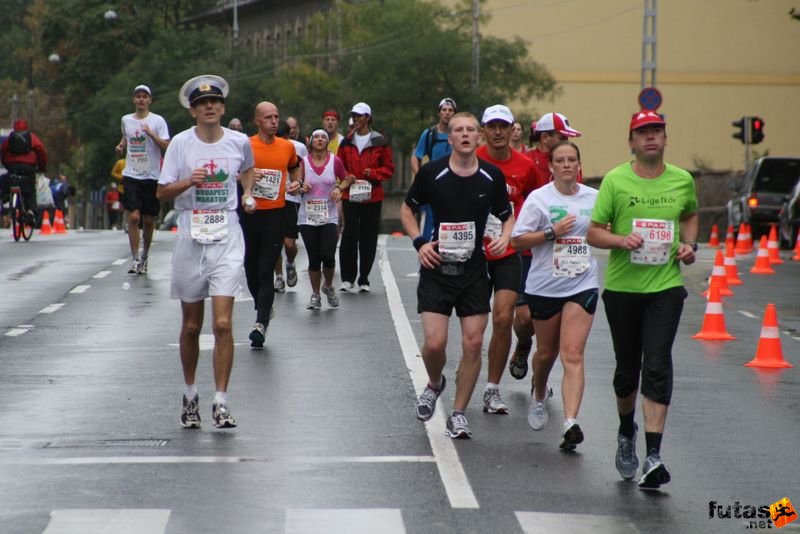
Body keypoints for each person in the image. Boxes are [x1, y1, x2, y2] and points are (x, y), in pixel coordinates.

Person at [587, 110, 698, 490]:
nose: (650, 137)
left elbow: (691, 216)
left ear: (666, 138)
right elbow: (593, 233)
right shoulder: (616, 181)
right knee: (626, 369)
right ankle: (624, 431)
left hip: (665, 288)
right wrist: (621, 240)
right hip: (622, 290)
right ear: (631, 141)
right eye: (642, 132)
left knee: (656, 364)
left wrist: (689, 245)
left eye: (656, 131)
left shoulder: (682, 180)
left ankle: (654, 455)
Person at [400, 112, 513, 439]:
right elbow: (408, 209)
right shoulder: (432, 173)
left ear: (478, 138)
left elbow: (506, 215)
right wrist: (420, 243)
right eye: (457, 130)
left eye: (469, 130)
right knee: (434, 344)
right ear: (448, 139)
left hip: (474, 271)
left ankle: (459, 413)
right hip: (437, 267)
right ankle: (435, 383)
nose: (464, 135)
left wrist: (506, 236)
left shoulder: (492, 176)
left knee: (474, 342)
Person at [156, 74, 256, 429]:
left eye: (214, 102)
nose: (209, 107)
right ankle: (190, 394)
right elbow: (162, 193)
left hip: (227, 234)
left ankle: (221, 401)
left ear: (223, 107)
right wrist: (189, 181)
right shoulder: (181, 146)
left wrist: (247, 194)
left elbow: (247, 170)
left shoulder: (239, 141)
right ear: (193, 112)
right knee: (191, 326)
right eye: (202, 104)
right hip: (190, 234)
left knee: (224, 323)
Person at [510, 141, 599, 451]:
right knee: (546, 353)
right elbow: (518, 241)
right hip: (545, 285)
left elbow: (603, 230)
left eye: (571, 159)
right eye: (559, 160)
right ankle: (538, 393)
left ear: (578, 165)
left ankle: (570, 422)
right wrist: (551, 233)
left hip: (582, 283)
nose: (565, 165)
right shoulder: (539, 199)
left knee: (572, 353)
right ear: (550, 166)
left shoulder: (594, 198)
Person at [475, 105, 538, 415]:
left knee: (503, 318)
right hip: (472, 252)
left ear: (512, 128)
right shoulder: (470, 160)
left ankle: (492, 389)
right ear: (483, 130)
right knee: (473, 326)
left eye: (504, 126)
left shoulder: (526, 167)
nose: (498, 132)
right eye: (492, 126)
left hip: (510, 251)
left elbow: (540, 202)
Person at [242, 102, 303, 348]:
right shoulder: (245, 145)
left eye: (277, 117)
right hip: (249, 213)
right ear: (257, 120)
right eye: (268, 117)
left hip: (276, 214)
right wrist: (245, 177)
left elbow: (296, 167)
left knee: (266, 268)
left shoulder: (286, 146)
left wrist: (297, 183)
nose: (274, 121)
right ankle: (263, 306)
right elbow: (233, 172)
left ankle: (260, 323)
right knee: (251, 269)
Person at [337, 102, 395, 293]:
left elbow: (389, 168)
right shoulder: (346, 142)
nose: (356, 119)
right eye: (353, 116)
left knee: (368, 236)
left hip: (372, 196)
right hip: (351, 195)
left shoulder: (380, 141)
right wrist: (347, 177)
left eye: (360, 116)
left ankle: (364, 278)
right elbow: (339, 166)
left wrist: (374, 173)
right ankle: (347, 278)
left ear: (368, 118)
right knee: (349, 233)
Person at [116, 84, 170, 274]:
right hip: (131, 174)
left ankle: (145, 255)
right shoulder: (126, 120)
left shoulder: (157, 121)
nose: (141, 99)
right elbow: (126, 137)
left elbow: (166, 145)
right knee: (133, 217)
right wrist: (121, 145)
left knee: (148, 220)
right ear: (133, 100)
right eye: (137, 96)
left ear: (149, 100)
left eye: (144, 97)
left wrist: (151, 134)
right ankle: (134, 258)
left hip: (152, 175)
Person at [298, 129, 350, 309]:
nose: (320, 140)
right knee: (314, 257)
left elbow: (348, 178)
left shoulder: (335, 161)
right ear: (311, 142)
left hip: (329, 216)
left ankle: (328, 285)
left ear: (327, 142)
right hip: (308, 217)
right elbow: (295, 183)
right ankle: (315, 294)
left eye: (323, 138)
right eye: (316, 137)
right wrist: (301, 186)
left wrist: (339, 188)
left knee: (328, 255)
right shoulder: (303, 162)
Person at [410, 98, 456, 241]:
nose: (447, 113)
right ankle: (427, 253)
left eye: (450, 110)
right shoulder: (430, 134)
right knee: (431, 221)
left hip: (455, 183)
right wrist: (419, 179)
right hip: (434, 184)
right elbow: (415, 156)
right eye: (444, 110)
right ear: (439, 113)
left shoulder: (459, 133)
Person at [273, 120, 308, 293]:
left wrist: (301, 185)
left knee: (289, 244)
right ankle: (278, 276)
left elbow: (303, 169)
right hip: (271, 199)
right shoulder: (266, 146)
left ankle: (290, 262)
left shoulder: (298, 147)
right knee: (274, 242)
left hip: (291, 199)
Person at [0, 118, 48, 222]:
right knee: (30, 191)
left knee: (7, 183)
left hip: (12, 168)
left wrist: (6, 163)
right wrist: (41, 167)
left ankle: (6, 204)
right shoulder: (32, 137)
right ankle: (31, 211)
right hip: (28, 168)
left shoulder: (10, 138)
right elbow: (41, 151)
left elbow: (2, 150)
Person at [524, 112, 582, 187]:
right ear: (545, 137)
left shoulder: (571, 160)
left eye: (567, 138)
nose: (566, 142)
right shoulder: (525, 160)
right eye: (562, 138)